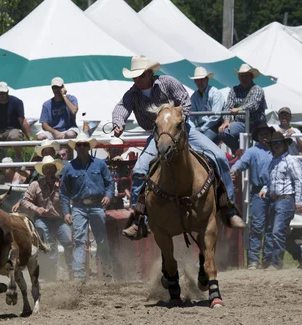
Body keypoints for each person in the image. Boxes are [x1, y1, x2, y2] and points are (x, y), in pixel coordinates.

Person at [112, 55, 244, 238]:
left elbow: (185, 101)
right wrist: (118, 123)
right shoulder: (132, 94)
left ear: (150, 74)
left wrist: (177, 121)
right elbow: (121, 108)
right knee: (139, 170)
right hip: (158, 136)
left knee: (220, 157)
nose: (137, 80)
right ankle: (139, 217)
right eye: (134, 77)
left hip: (184, 131)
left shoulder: (167, 82)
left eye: (140, 75)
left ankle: (227, 207)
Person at [60, 132, 114, 280]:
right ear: (76, 147)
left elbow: (110, 183)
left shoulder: (100, 164)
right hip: (79, 207)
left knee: (101, 239)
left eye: (85, 144)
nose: (82, 147)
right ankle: (79, 277)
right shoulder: (69, 168)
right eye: (80, 145)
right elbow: (63, 192)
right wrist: (66, 212)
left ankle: (108, 273)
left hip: (96, 205)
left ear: (88, 146)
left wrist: (108, 196)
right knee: (79, 240)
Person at [230, 125, 275, 270]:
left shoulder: (276, 150)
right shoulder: (252, 151)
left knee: (271, 227)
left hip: (275, 192)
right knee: (257, 226)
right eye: (262, 134)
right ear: (258, 137)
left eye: (267, 134)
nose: (265, 136)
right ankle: (254, 261)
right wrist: (235, 169)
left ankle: (267, 260)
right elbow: (241, 162)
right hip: (258, 193)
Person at [20, 155, 73, 276]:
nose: (48, 171)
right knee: (48, 244)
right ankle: (50, 272)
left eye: (51, 168)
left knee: (69, 241)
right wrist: (36, 208)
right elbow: (25, 200)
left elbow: (70, 199)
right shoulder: (35, 184)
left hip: (59, 219)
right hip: (42, 219)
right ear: (43, 171)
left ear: (55, 170)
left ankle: (71, 269)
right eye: (46, 168)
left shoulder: (62, 184)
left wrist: (67, 213)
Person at [259, 131, 302, 269]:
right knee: (279, 233)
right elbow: (270, 180)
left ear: (284, 145)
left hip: (286, 199)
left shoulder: (291, 160)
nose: (276, 146)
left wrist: (299, 201)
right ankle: (300, 256)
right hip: (274, 200)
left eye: (278, 143)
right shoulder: (274, 161)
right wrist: (265, 188)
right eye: (274, 144)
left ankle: (276, 263)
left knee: (277, 231)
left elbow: (299, 181)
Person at [218, 64, 267, 154]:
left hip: (258, 124)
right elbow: (228, 106)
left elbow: (254, 105)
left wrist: (239, 109)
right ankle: (239, 152)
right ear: (239, 77)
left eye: (246, 76)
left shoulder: (258, 89)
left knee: (263, 147)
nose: (243, 78)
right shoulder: (234, 90)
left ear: (251, 77)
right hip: (241, 123)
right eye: (241, 76)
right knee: (223, 132)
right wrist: (226, 121)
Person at [187, 67, 224, 143]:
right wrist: (193, 130)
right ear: (195, 81)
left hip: (214, 126)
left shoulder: (215, 93)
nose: (200, 82)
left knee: (203, 142)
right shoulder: (194, 97)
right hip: (200, 127)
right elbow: (191, 117)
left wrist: (201, 129)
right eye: (197, 80)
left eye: (202, 79)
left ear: (207, 79)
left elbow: (216, 117)